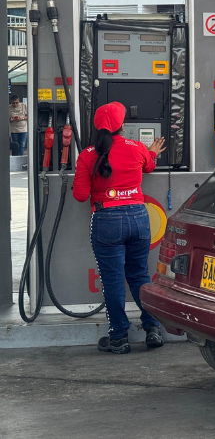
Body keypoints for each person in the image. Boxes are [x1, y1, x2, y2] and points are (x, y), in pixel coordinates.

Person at [72, 102, 167, 354]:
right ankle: (153, 328)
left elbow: (81, 196)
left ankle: (119, 337)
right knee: (139, 276)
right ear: (122, 126)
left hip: (107, 221)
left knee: (113, 280)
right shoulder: (136, 148)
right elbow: (149, 166)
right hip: (138, 218)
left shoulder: (87, 155)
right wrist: (152, 152)